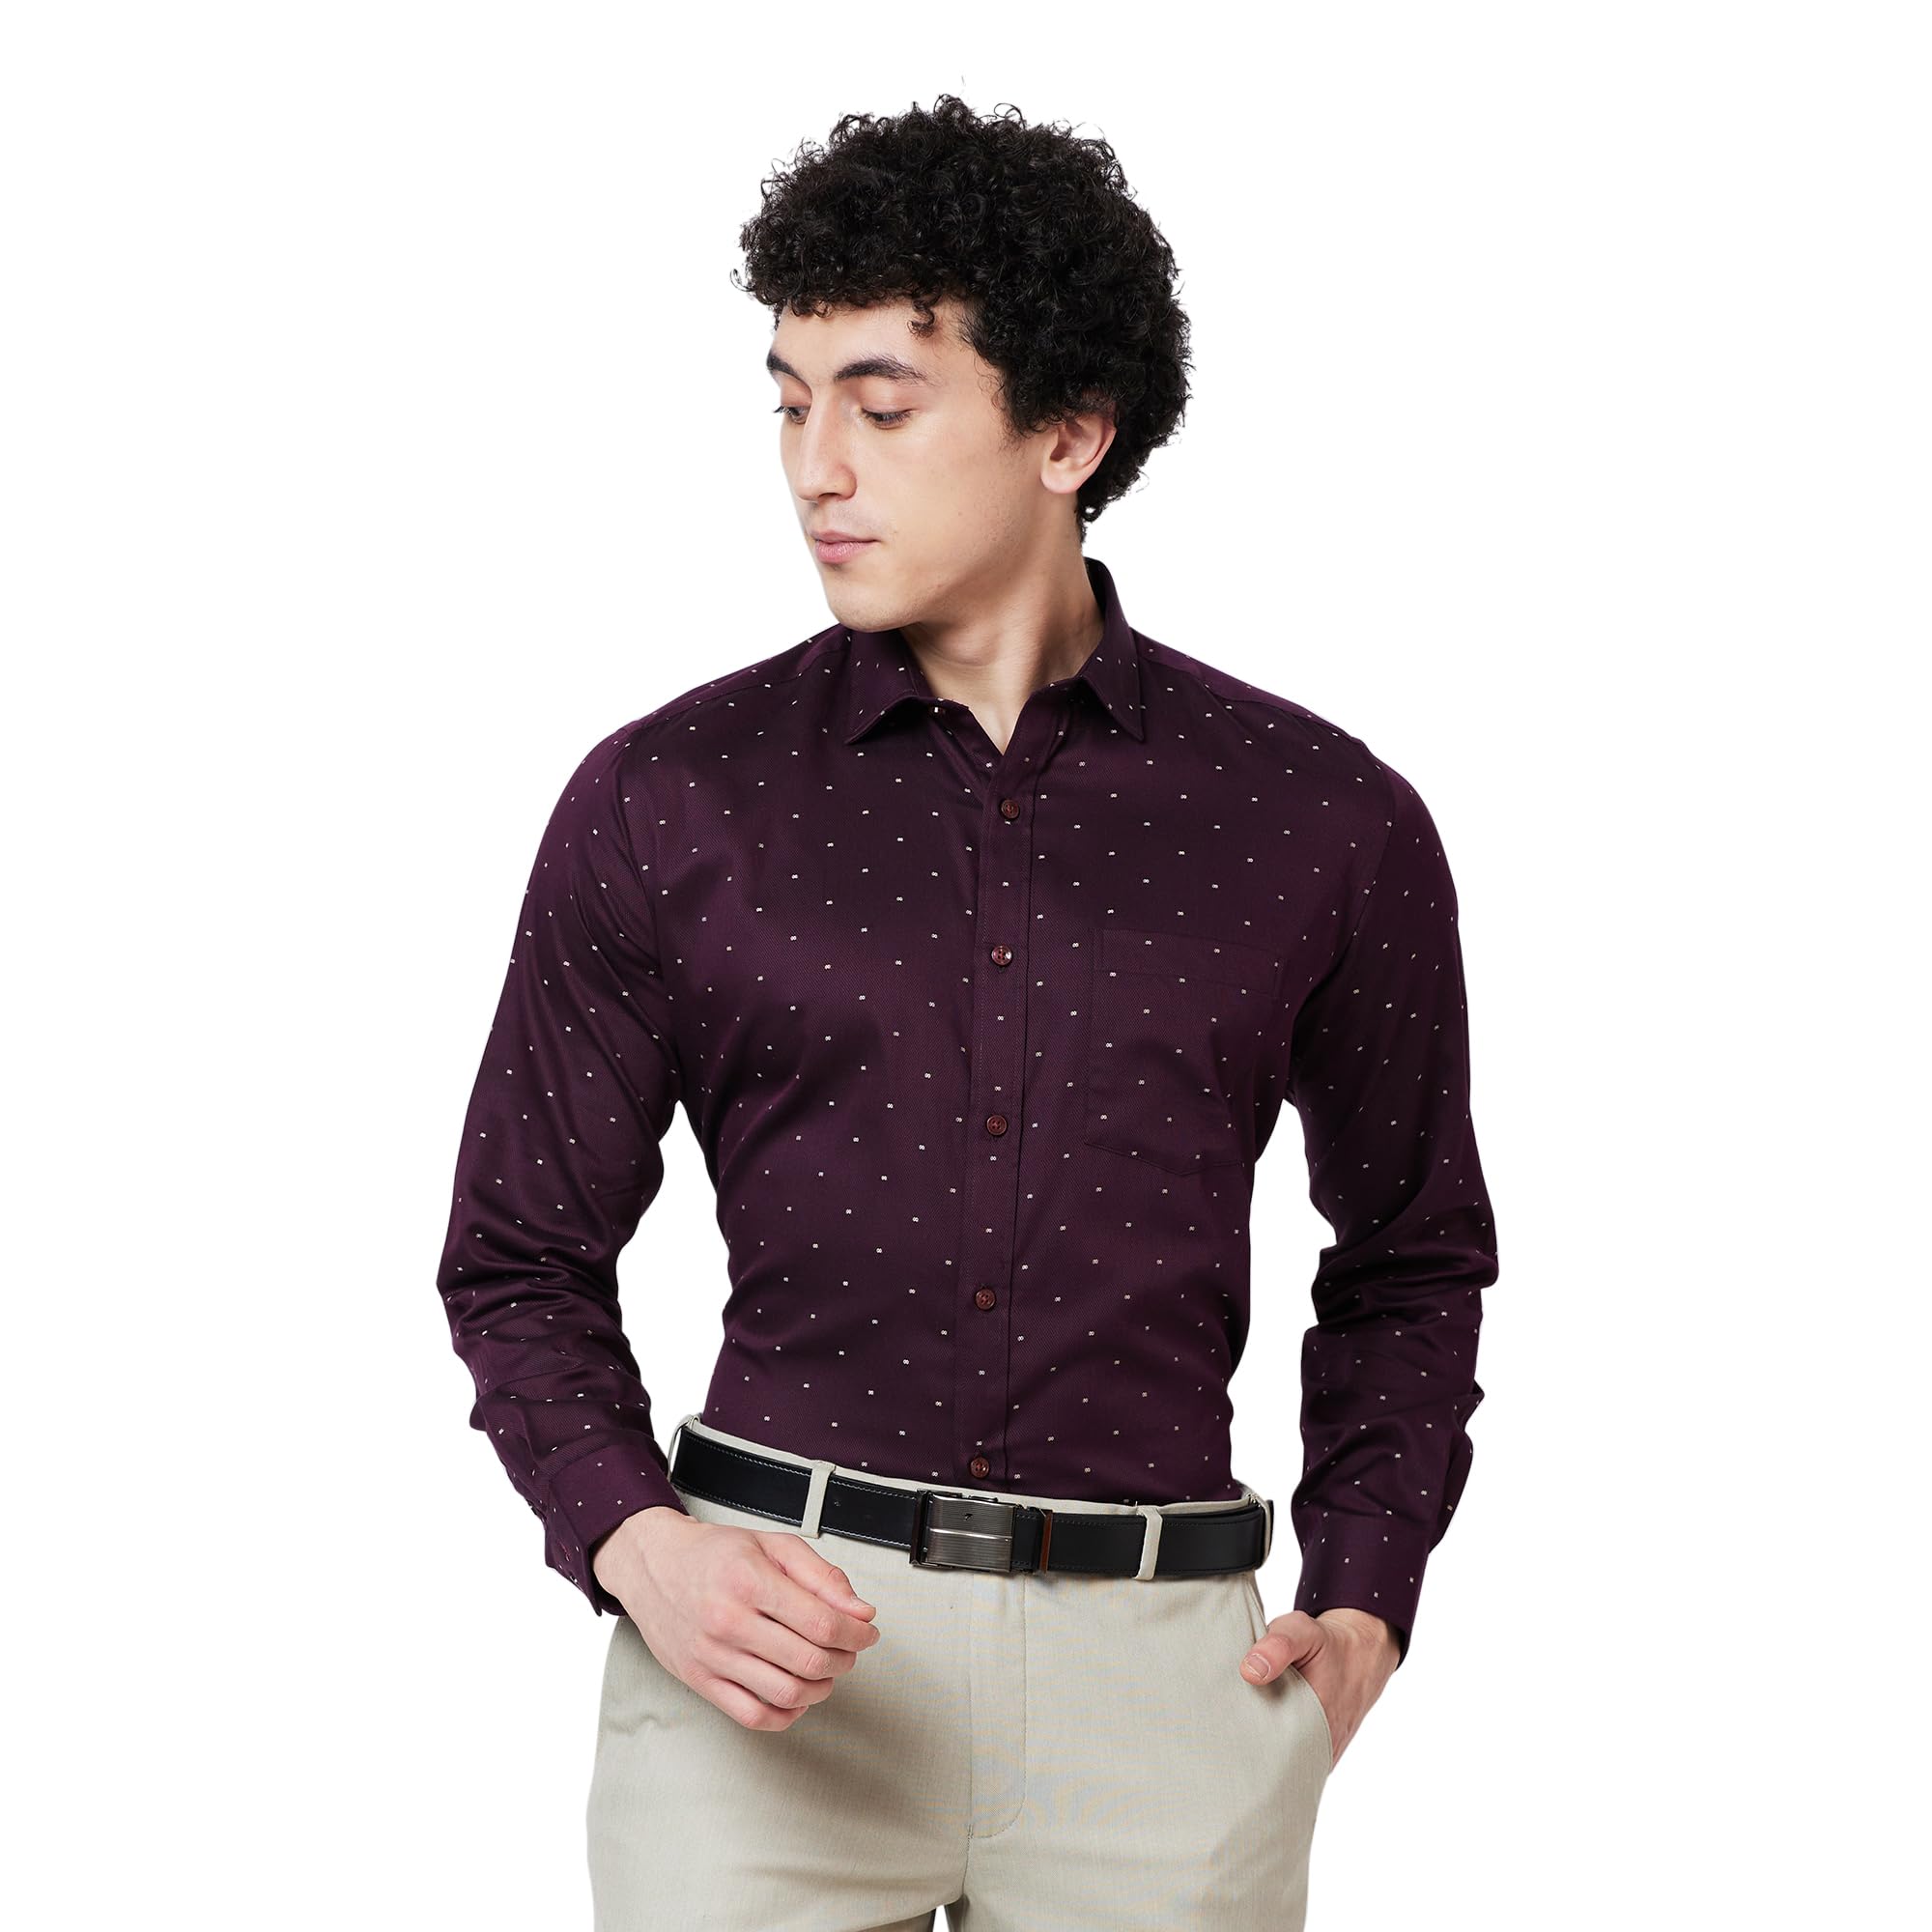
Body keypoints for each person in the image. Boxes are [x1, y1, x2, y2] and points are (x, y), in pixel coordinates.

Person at [435, 92, 1497, 1932]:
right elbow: (518, 1256)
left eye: (882, 405)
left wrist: (1369, 1591)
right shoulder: (668, 799)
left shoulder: (1323, 822)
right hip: (763, 1675)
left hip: (1168, 1694)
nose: (814, 468)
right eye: (788, 402)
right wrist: (636, 1544)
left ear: (1069, 434)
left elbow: (1413, 1258)